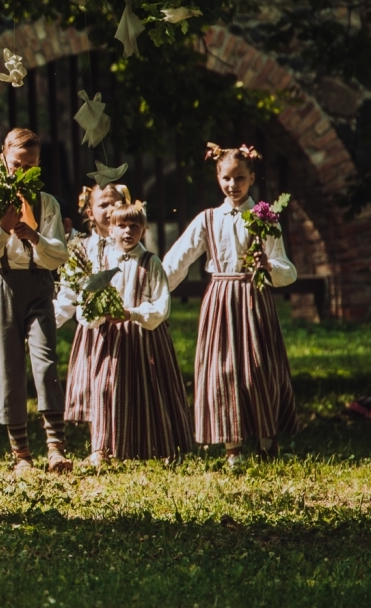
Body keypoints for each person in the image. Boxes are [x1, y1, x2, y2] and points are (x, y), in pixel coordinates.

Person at [163, 143, 297, 468]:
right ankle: (232, 445)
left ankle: (267, 438)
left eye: (240, 178)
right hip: (221, 301)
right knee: (222, 371)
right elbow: (177, 261)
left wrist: (268, 265)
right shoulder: (208, 219)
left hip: (254, 299)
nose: (233, 185)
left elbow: (287, 269)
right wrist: (152, 289)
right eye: (226, 178)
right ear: (217, 178)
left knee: (259, 369)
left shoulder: (265, 217)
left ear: (252, 178)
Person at [0, 128, 71, 475]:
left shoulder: (47, 203)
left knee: (45, 360)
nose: (21, 172)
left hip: (39, 285)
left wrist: (35, 237)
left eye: (30, 166)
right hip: (4, 284)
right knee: (9, 367)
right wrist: (3, 228)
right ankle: (21, 454)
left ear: (38, 165)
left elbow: (58, 255)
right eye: (16, 164)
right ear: (3, 161)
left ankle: (56, 447)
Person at [66, 200, 193, 463]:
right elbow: (85, 301)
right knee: (104, 389)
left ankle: (157, 446)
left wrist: (131, 313)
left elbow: (161, 305)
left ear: (144, 230)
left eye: (134, 226)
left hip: (143, 338)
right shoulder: (101, 262)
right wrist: (96, 315)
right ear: (110, 230)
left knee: (149, 390)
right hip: (110, 340)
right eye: (121, 226)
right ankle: (101, 448)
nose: (127, 232)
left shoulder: (150, 262)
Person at [59, 183, 130, 441]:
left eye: (116, 204)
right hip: (93, 332)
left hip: (125, 328)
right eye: (103, 205)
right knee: (96, 389)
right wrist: (48, 323)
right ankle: (99, 446)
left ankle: (124, 441)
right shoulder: (81, 249)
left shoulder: (130, 246)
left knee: (122, 387)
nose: (111, 209)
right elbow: (68, 292)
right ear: (90, 213)